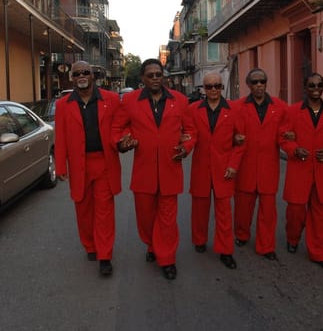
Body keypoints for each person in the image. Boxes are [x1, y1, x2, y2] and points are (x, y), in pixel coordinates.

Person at [116, 58, 196, 280]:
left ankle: (167, 259)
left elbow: (190, 130)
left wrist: (186, 146)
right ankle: (152, 245)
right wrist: (124, 141)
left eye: (158, 74)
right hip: (143, 172)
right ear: (142, 78)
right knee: (146, 218)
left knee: (168, 219)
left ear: (164, 76)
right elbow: (119, 127)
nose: (154, 78)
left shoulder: (180, 101)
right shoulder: (130, 101)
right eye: (150, 75)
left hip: (171, 168)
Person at [54, 60, 123, 277]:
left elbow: (120, 127)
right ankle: (90, 246)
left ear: (94, 76)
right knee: (83, 209)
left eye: (86, 72)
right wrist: (60, 166)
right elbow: (61, 137)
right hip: (78, 164)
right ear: (71, 78)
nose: (81, 76)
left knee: (104, 210)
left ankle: (105, 256)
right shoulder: (63, 104)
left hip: (103, 162)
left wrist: (123, 141)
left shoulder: (111, 99)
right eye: (77, 74)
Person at [280, 73, 323, 270]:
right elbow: (283, 138)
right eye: (312, 85)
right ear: (305, 88)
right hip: (299, 169)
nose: (316, 88)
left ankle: (319, 252)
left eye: (320, 85)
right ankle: (293, 237)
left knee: (321, 214)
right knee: (296, 212)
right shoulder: (292, 111)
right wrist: (294, 149)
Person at [188, 72, 245, 269]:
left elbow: (241, 141)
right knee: (199, 210)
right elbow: (187, 134)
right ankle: (199, 240)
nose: (214, 90)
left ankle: (226, 250)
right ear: (203, 89)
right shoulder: (193, 110)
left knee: (224, 214)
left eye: (217, 86)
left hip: (224, 169)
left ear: (222, 88)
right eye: (209, 86)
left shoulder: (233, 110)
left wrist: (233, 165)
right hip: (201, 168)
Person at [233, 68, 288, 261]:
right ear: (248, 85)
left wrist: (292, 144)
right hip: (245, 166)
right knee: (243, 208)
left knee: (268, 211)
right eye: (255, 82)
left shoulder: (280, 107)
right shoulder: (237, 107)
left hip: (268, 167)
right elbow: (228, 132)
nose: (259, 85)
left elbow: (286, 133)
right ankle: (241, 234)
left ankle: (266, 246)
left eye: (262, 81)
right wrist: (234, 139)